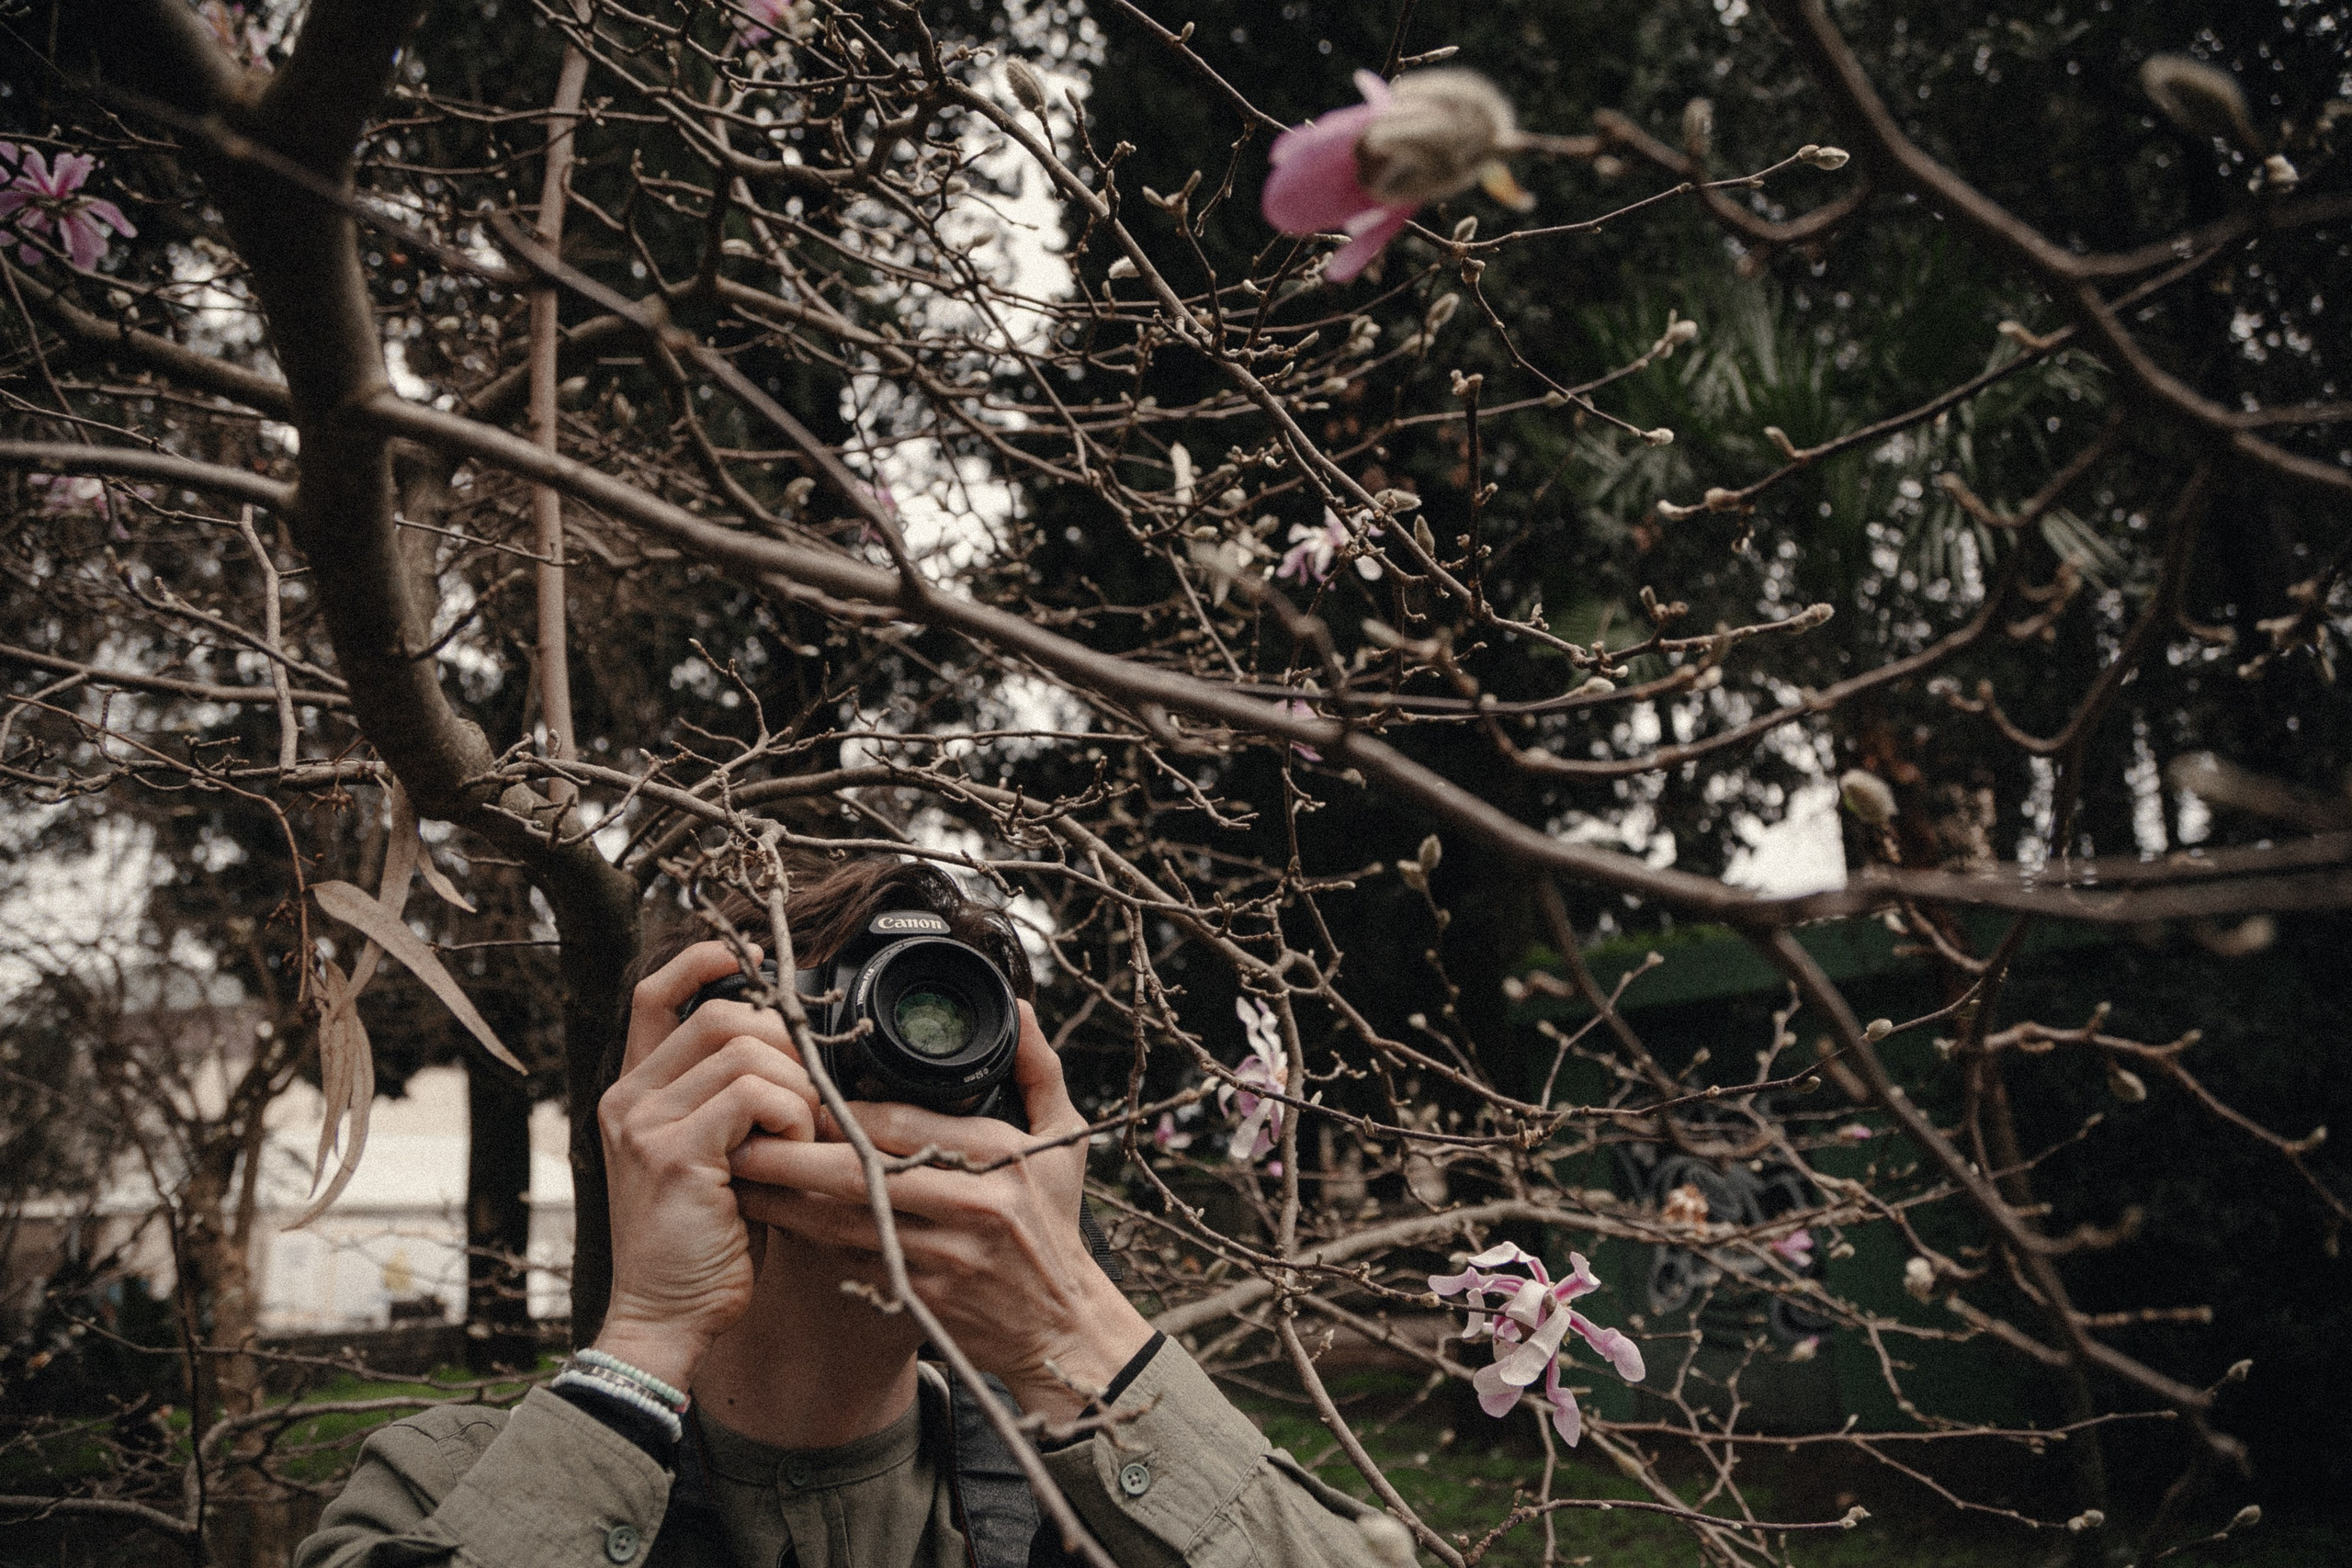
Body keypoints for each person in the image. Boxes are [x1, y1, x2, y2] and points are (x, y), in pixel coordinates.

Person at [298, 859, 1415, 1568]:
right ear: (682, 1100)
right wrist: (640, 1346)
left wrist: (1079, 1333)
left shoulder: (1095, 1517)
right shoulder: (442, 1491)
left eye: (945, 1027)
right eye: (824, 1026)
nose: (893, 1083)